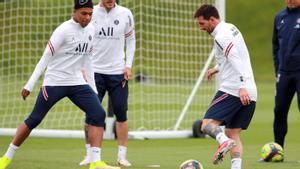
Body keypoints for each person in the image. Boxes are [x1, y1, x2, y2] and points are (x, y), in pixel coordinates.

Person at [0, 1, 120, 169]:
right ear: (74, 12)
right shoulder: (62, 30)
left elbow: (88, 62)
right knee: (34, 119)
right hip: (54, 83)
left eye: (90, 14)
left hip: (77, 82)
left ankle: (96, 162)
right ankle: (6, 157)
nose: (87, 18)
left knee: (98, 113)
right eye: (83, 14)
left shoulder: (92, 30)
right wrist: (29, 85)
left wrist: (93, 90)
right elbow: (45, 59)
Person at [194, 4, 257, 169]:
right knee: (233, 133)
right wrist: (216, 69)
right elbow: (235, 56)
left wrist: (241, 86)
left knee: (206, 124)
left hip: (234, 89)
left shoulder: (220, 36)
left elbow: (235, 57)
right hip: (251, 91)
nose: (201, 28)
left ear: (212, 19)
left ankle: (223, 142)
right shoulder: (231, 28)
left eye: (202, 24)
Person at [79, 0, 135, 167]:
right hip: (94, 71)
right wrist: (82, 66)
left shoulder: (126, 13)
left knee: (121, 113)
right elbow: (82, 38)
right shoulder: (91, 12)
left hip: (118, 72)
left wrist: (128, 65)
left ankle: (122, 156)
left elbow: (131, 41)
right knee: (91, 114)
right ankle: (89, 154)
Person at [272, 0, 300, 149]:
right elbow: (275, 46)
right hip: (284, 73)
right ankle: (278, 149)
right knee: (279, 110)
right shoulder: (279, 17)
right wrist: (278, 69)